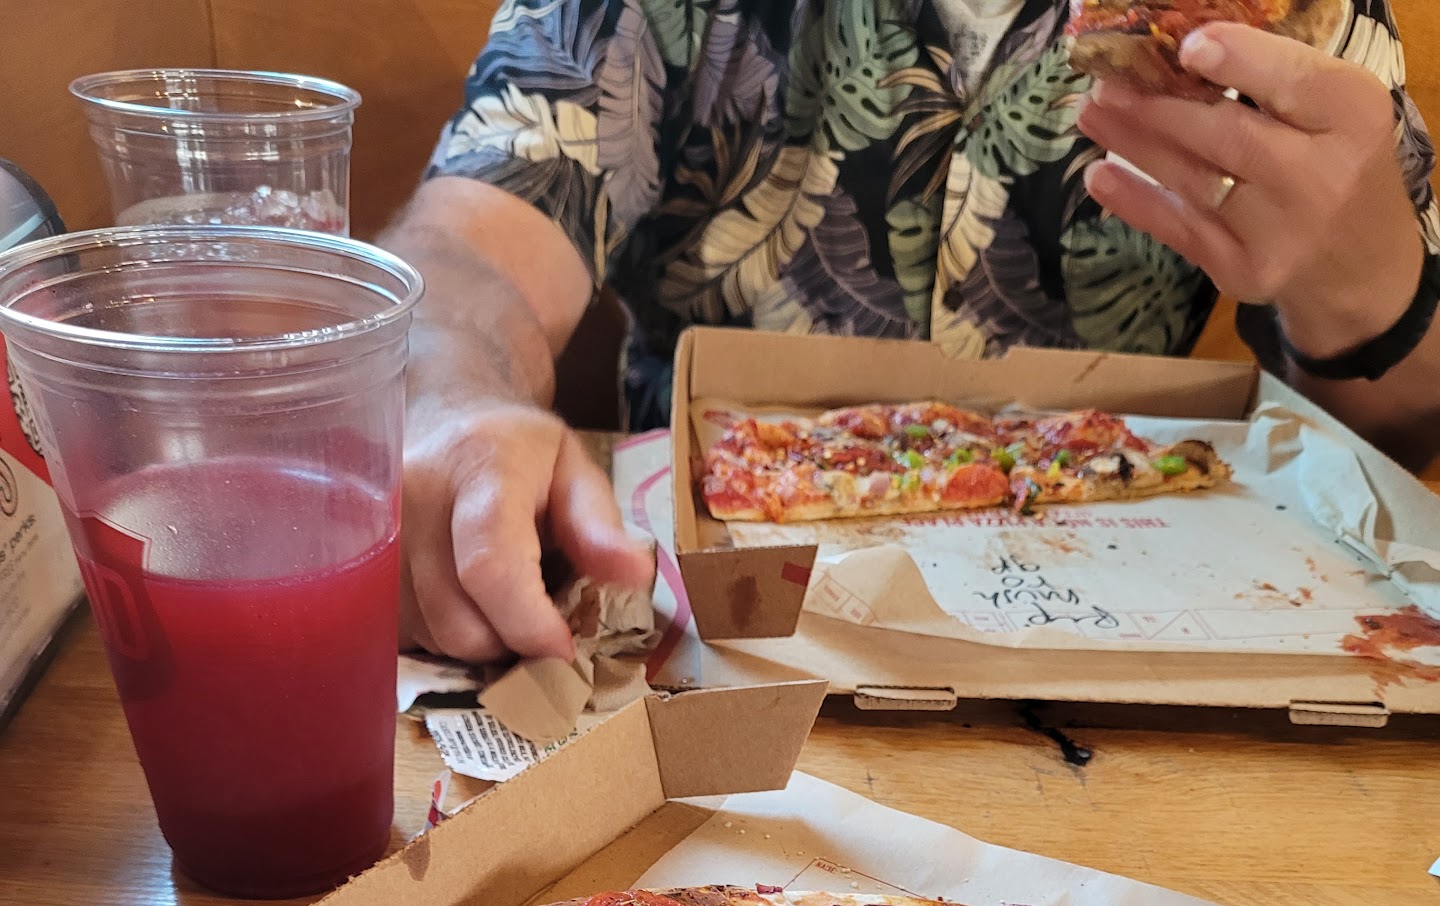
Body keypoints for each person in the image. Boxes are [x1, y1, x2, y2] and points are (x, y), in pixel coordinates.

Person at [384, 0, 1440, 664]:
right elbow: (472, 250)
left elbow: (1392, 444)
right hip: (700, 636)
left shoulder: (1290, 15)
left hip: (1168, 639)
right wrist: (442, 393)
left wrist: (1367, 291)